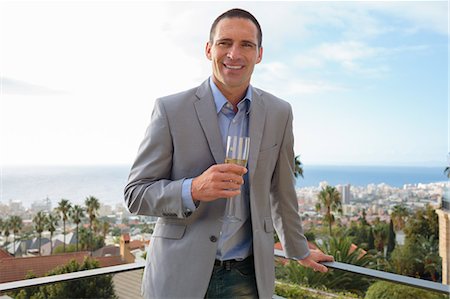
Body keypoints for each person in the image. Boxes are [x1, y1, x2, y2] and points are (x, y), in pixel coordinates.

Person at [124, 8, 334, 299]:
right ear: (209, 49)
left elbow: (282, 192)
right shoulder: (170, 110)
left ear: (259, 54)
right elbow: (135, 194)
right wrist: (194, 189)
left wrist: (298, 250)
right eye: (225, 43)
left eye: (246, 45)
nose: (234, 54)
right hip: (178, 274)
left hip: (247, 279)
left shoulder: (279, 113)